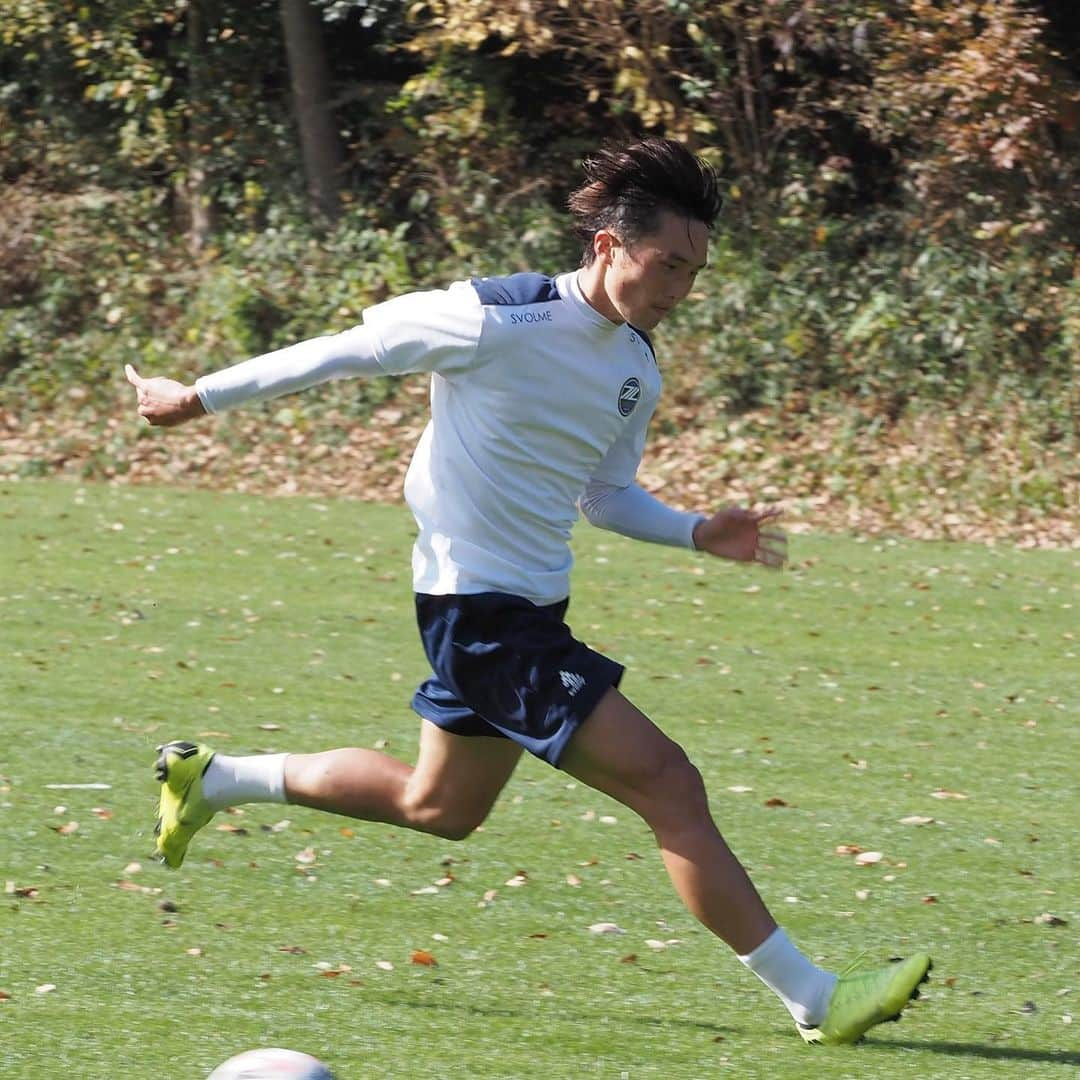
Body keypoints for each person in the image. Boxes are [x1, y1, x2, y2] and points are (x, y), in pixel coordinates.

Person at [126, 137, 930, 1045]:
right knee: (670, 784)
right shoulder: (489, 317)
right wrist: (195, 397)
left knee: (440, 808)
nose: (678, 287)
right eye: (666, 263)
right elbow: (342, 353)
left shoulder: (635, 367)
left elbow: (605, 494)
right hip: (481, 614)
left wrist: (696, 529)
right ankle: (817, 1000)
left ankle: (214, 778)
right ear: (607, 245)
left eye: (693, 271)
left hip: (521, 613)